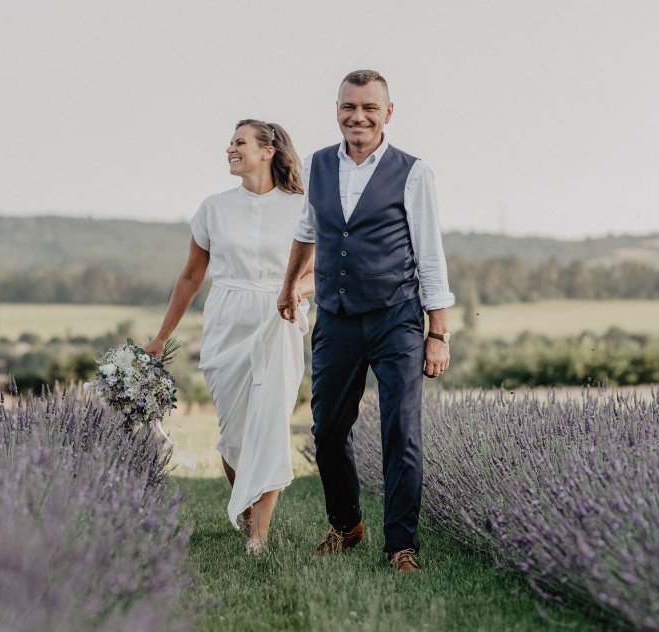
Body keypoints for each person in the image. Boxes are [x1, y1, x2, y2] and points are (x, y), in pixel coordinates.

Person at [277, 70, 455, 573]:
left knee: (401, 431)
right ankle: (347, 523)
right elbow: (307, 231)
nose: (358, 116)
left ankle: (401, 544)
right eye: (348, 106)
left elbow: (430, 255)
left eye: (369, 108)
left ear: (387, 113)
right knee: (328, 431)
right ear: (337, 110)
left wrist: (438, 332)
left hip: (396, 318)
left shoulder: (413, 173)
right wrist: (290, 285)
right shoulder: (317, 165)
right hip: (336, 319)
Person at [144, 119, 313, 555]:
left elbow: (322, 272)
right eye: (230, 143)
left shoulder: (302, 207)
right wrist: (162, 337)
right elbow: (190, 276)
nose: (229, 149)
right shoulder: (213, 208)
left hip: (279, 320)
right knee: (234, 434)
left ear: (267, 150)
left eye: (239, 142)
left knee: (270, 425)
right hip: (226, 323)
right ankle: (249, 509)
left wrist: (293, 290)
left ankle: (259, 536)